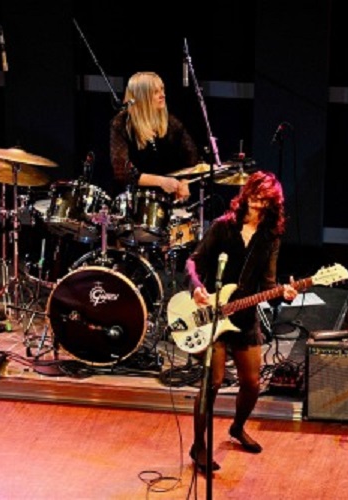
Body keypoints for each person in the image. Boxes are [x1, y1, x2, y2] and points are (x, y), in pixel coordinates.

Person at [184, 170, 297, 473]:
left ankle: (237, 427)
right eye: (255, 197)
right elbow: (193, 261)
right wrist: (196, 288)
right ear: (246, 195)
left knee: (252, 384)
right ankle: (198, 445)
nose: (258, 204)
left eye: (265, 201)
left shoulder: (271, 237)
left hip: (244, 317)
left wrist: (284, 294)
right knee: (213, 381)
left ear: (273, 204)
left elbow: (268, 284)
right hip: (214, 316)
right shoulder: (223, 227)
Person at [109, 71, 198, 214]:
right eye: (156, 92)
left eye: (162, 90)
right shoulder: (122, 124)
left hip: (165, 203)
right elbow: (123, 173)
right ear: (142, 97)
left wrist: (184, 182)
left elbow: (191, 156)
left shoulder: (171, 123)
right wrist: (161, 181)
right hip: (132, 203)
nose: (163, 95)